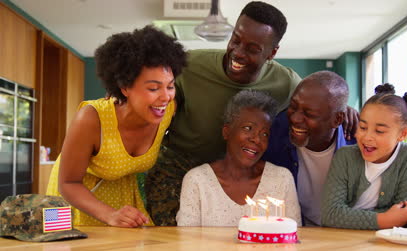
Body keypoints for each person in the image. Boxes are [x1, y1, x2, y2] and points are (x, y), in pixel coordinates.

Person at [146, 0, 358, 226]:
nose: (237, 53)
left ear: (272, 52)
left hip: (236, 170)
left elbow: (319, 99)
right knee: (173, 238)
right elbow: (154, 92)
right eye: (235, 40)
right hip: (179, 164)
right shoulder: (189, 66)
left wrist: (345, 109)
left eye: (252, 49)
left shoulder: (285, 82)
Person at [46, 25, 187, 227]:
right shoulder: (91, 119)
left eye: (170, 86)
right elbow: (67, 184)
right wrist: (109, 215)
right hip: (73, 200)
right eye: (154, 88)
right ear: (125, 87)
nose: (165, 97)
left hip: (121, 201)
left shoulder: (167, 112)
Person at [264, 73, 407, 229]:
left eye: (309, 114)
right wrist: (387, 218)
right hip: (303, 231)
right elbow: (333, 214)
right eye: (293, 107)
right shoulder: (277, 132)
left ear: (338, 119)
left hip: (356, 237)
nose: (295, 118)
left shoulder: (358, 141)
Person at [176, 90, 301, 226]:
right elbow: (187, 242)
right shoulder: (197, 181)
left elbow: (294, 237)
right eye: (248, 128)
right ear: (226, 132)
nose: (256, 139)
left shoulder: (282, 179)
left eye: (264, 134)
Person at [320, 84, 407, 229]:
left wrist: (349, 217)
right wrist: (384, 219)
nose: (367, 137)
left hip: (387, 242)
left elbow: (403, 215)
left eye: (380, 131)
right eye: (362, 128)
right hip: (341, 239)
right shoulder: (344, 157)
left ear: (403, 134)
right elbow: (330, 215)